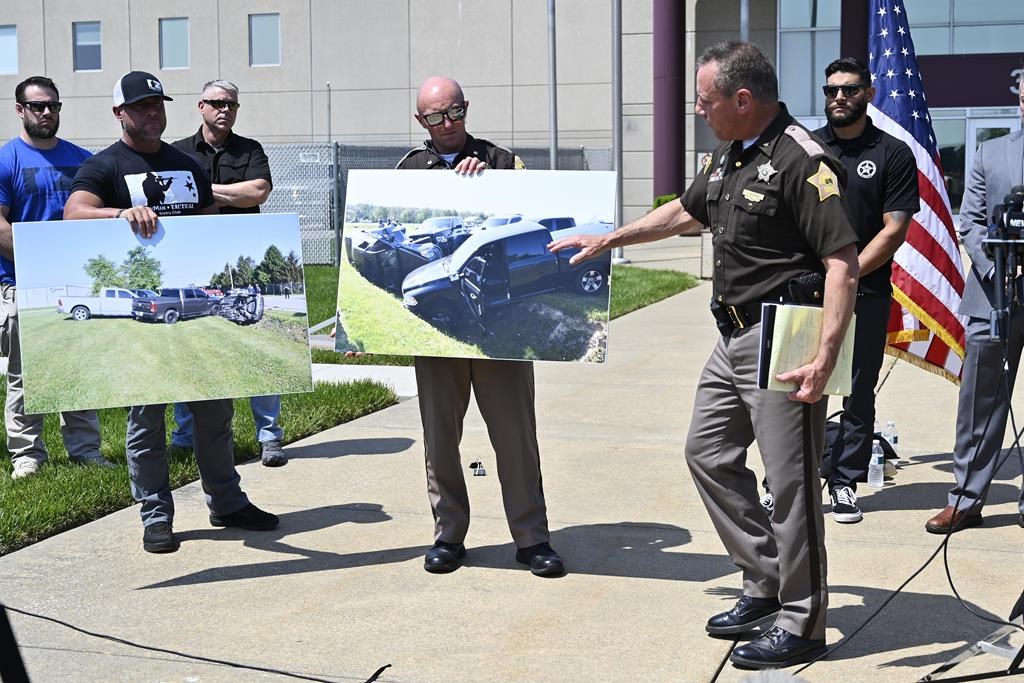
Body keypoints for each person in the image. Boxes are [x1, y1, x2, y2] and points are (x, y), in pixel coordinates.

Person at [550, 42, 858, 668]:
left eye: (705, 99)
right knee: (707, 453)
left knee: (792, 485)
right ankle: (765, 581)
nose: (698, 109)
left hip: (784, 336)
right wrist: (612, 238)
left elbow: (842, 265)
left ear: (743, 100)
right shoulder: (731, 154)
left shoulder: (802, 160)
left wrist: (825, 356)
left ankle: (803, 622)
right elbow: (685, 212)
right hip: (732, 336)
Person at [63, 70, 279, 553]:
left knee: (215, 412)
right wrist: (119, 213)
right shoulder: (105, 166)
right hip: (147, 309)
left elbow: (208, 226)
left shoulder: (186, 164)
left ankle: (227, 503)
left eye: (158, 104)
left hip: (195, 308)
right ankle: (156, 512)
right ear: (120, 113)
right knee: (147, 419)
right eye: (142, 106)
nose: (153, 112)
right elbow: (73, 213)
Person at [396, 75, 563, 578]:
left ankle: (532, 538)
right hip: (441, 322)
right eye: (435, 117)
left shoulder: (502, 160)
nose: (447, 125)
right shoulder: (407, 170)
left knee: (515, 435)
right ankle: (449, 534)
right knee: (440, 435)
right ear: (420, 120)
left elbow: (530, 211)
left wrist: (493, 182)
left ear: (466, 109)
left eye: (455, 112)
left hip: (498, 323)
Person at [812, 58, 918, 524]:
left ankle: (843, 481)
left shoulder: (893, 153)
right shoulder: (809, 149)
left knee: (858, 390)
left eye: (850, 90)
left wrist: (848, 274)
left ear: (868, 94)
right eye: (831, 90)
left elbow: (894, 229)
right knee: (801, 385)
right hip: (807, 293)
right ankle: (789, 479)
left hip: (868, 293)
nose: (839, 98)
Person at [0, 76, 113, 480]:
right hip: (20, 281)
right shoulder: (6, 160)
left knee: (78, 367)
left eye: (53, 105)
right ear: (20, 110)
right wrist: (41, 265)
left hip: (74, 283)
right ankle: (27, 454)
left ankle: (85, 449)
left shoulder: (84, 159)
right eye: (37, 106)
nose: (47, 113)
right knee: (25, 374)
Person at [925, 74, 1024, 534]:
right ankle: (966, 499)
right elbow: (972, 222)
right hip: (993, 295)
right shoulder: (991, 152)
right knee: (979, 403)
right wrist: (1000, 269)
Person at [170, 79, 285, 468]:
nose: (225, 110)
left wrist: (202, 190)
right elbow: (170, 198)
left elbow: (257, 193)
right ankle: (185, 437)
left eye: (232, 105)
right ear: (200, 106)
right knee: (192, 345)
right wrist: (229, 192)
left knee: (259, 342)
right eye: (217, 103)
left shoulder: (250, 150)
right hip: (192, 260)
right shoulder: (176, 152)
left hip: (244, 258)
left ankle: (269, 436)